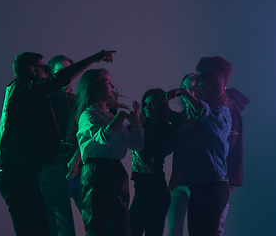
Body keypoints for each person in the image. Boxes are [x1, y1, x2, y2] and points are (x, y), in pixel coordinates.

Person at [0, 50, 115, 236]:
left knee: (47, 229)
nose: (49, 75)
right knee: (50, 227)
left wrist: (54, 150)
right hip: (23, 176)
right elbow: (58, 81)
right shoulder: (26, 89)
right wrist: (92, 58)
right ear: (32, 69)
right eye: (45, 69)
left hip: (28, 174)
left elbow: (29, 135)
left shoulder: (27, 94)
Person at [76, 68, 144, 236]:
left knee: (121, 226)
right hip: (96, 172)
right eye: (107, 81)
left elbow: (137, 145)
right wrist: (121, 116)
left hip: (115, 171)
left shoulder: (110, 117)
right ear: (94, 88)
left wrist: (135, 124)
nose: (112, 85)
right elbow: (104, 137)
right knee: (99, 226)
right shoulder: (88, 115)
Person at [164, 72, 232, 236]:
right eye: (187, 88)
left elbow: (204, 113)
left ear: (211, 89)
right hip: (197, 185)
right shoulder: (189, 120)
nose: (193, 91)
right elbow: (186, 150)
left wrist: (185, 93)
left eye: (196, 87)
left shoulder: (221, 112)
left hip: (213, 184)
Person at [196, 56, 250, 236]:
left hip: (220, 177)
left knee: (212, 229)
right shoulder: (224, 103)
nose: (200, 82)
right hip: (216, 176)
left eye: (203, 75)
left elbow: (227, 143)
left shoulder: (227, 105)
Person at [38, 55, 78, 236]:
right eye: (60, 72)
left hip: (76, 167)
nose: (66, 77)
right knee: (60, 223)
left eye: (69, 71)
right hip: (54, 167)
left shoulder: (78, 101)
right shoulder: (46, 101)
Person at [129, 88, 174, 236]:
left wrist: (138, 127)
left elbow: (151, 154)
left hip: (156, 192)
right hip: (140, 191)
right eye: (145, 104)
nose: (147, 107)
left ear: (161, 106)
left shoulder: (166, 129)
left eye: (152, 104)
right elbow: (118, 134)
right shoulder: (143, 126)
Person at [166, 73, 198, 236]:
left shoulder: (204, 117)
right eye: (184, 88)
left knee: (198, 229)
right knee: (174, 230)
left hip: (198, 183)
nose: (187, 91)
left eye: (191, 88)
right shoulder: (179, 118)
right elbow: (160, 107)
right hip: (178, 183)